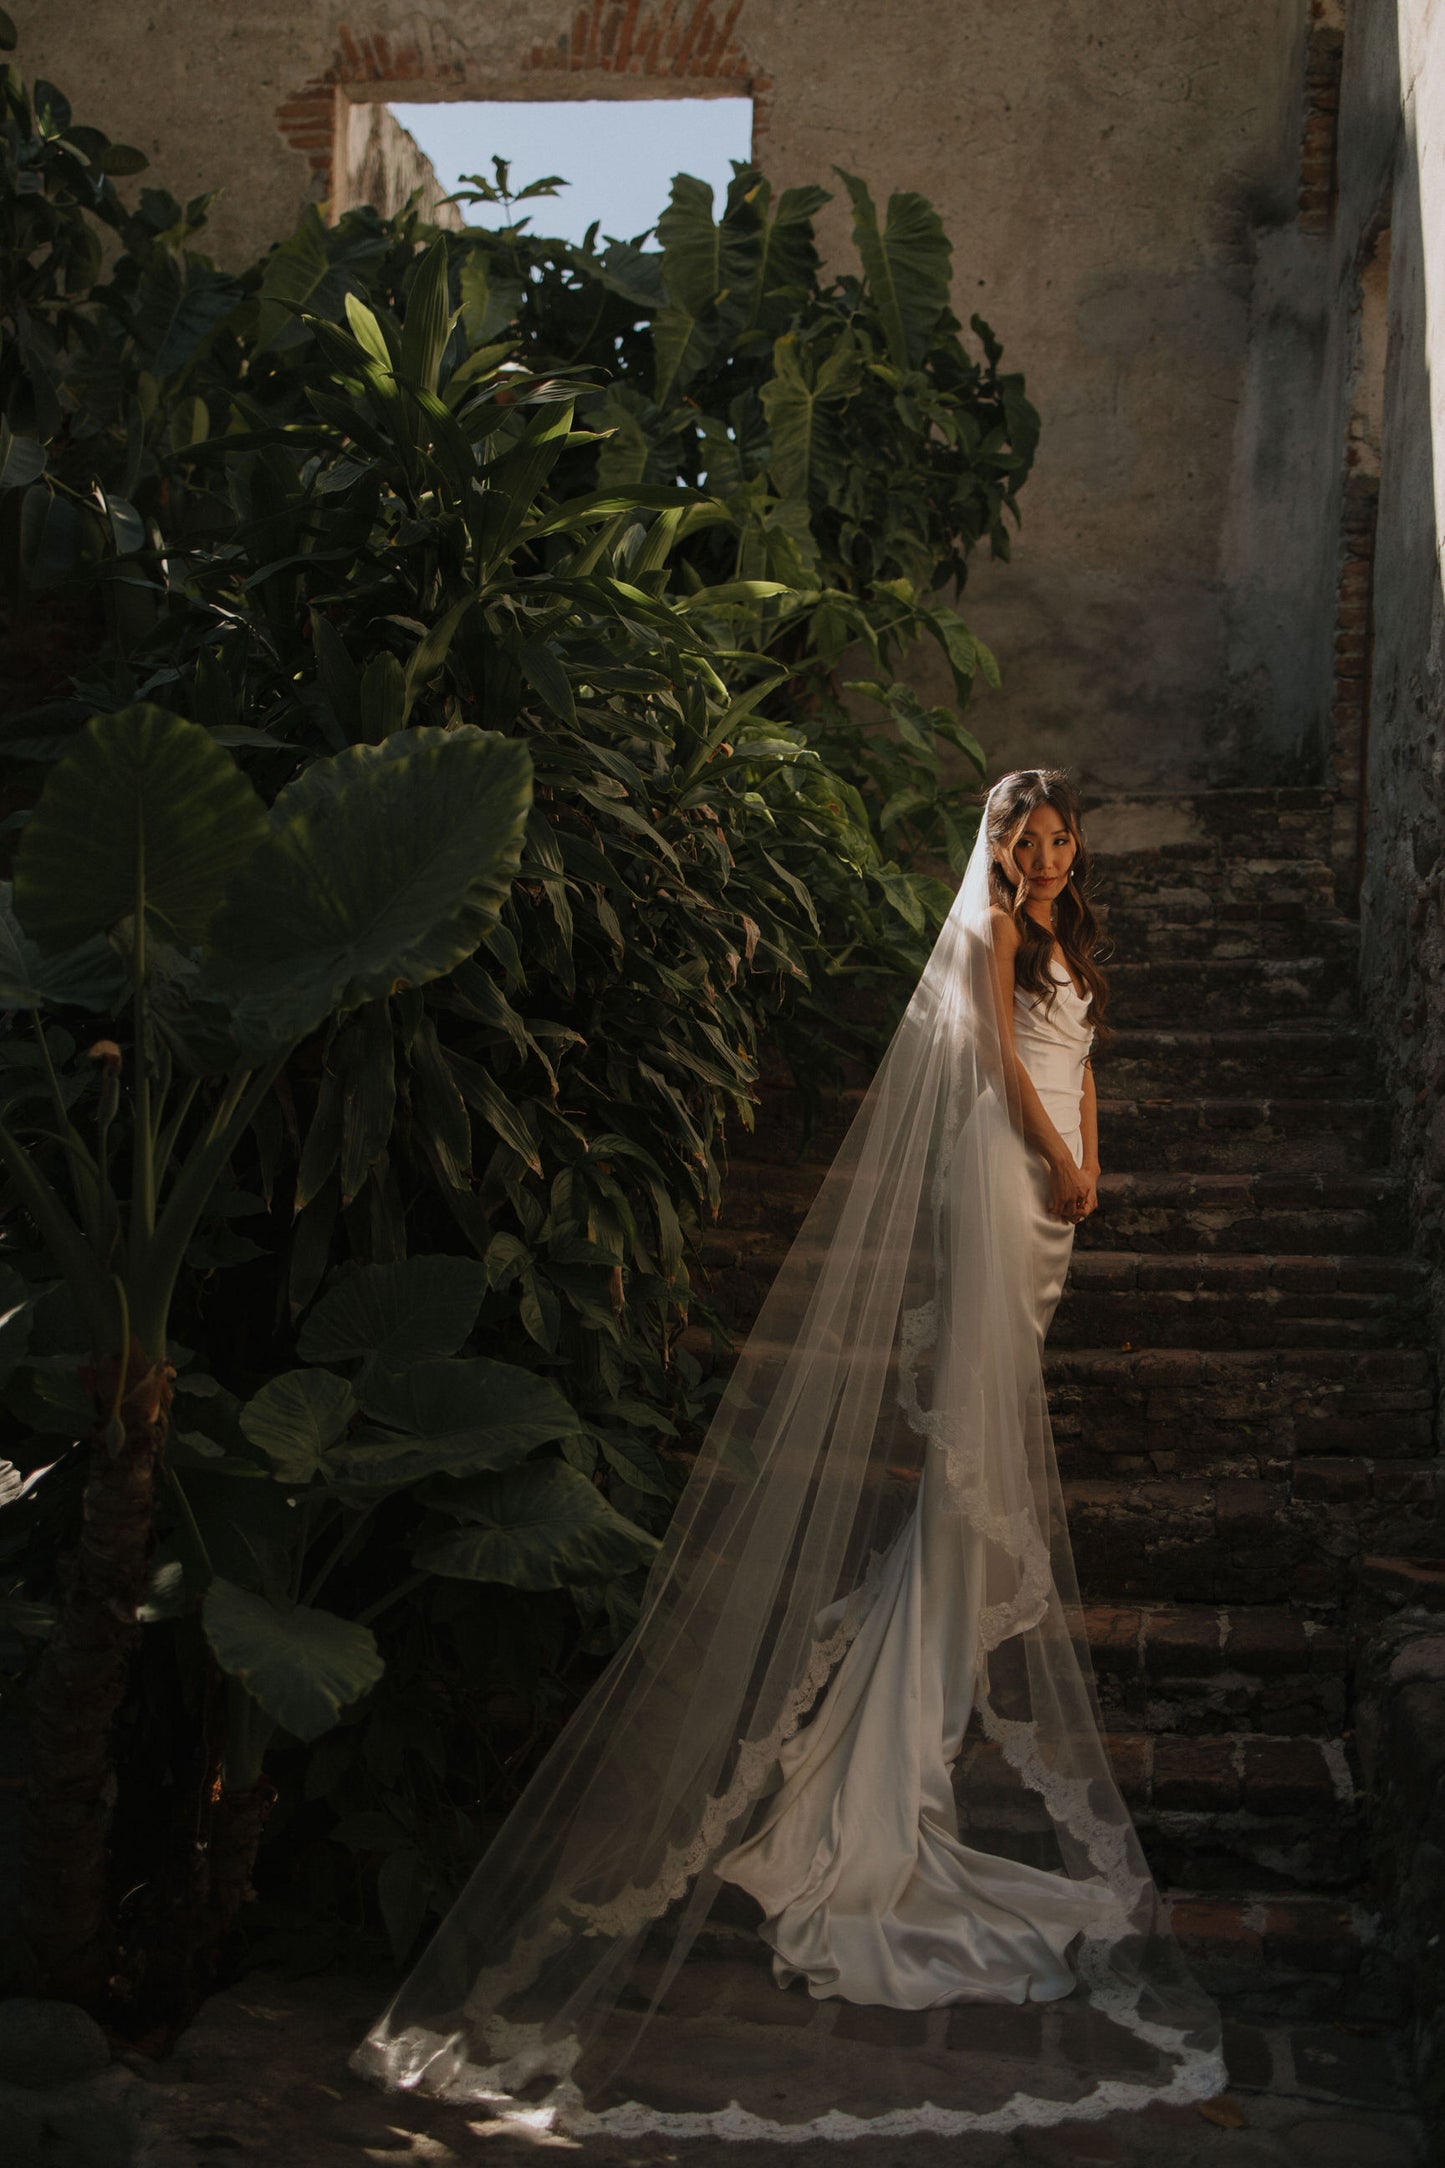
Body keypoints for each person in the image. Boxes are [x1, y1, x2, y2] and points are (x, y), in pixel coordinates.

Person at [353, 770, 1227, 2138]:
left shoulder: (1066, 935)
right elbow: (1001, 1066)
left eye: (1064, 840)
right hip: (1000, 1167)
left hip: (1055, 1184)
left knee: (984, 1458)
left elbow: (1082, 1057)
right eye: (1029, 839)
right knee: (976, 1451)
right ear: (996, 848)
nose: (1050, 857)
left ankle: (909, 1704)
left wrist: (1090, 1164)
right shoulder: (994, 933)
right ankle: (876, 1776)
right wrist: (1052, 1155)